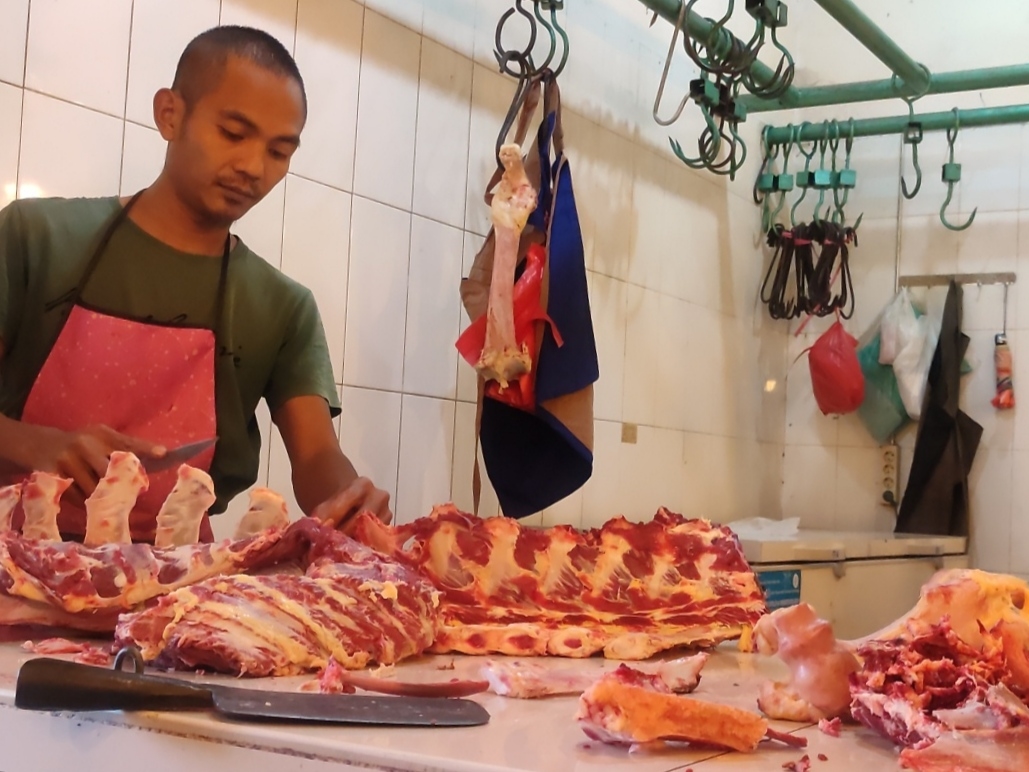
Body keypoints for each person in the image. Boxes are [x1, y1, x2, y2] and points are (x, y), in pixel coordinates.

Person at [0, 25, 391, 541]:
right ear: (170, 114)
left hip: (175, 592)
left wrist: (348, 498)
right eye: (233, 133)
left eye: (279, 151)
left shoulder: (281, 306)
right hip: (15, 562)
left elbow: (317, 454)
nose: (253, 167)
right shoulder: (37, 238)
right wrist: (37, 445)